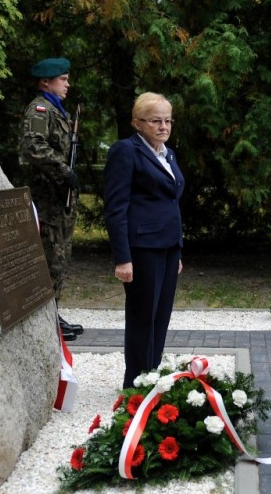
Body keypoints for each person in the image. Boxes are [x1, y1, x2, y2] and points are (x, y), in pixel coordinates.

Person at [103, 92, 185, 389]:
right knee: (142, 319)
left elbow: (171, 203)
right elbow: (116, 208)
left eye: (168, 121)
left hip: (168, 248)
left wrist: (177, 250)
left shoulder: (168, 153)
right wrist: (122, 258)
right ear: (137, 123)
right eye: (155, 121)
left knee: (160, 318)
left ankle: (152, 378)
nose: (163, 126)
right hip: (142, 250)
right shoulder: (126, 151)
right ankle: (135, 386)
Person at [19, 57, 83, 341]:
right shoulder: (40, 110)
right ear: (46, 81)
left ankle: (52, 313)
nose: (67, 84)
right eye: (63, 79)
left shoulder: (58, 111)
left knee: (60, 257)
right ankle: (45, 319)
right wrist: (64, 171)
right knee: (50, 258)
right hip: (45, 200)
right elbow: (33, 147)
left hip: (58, 199)